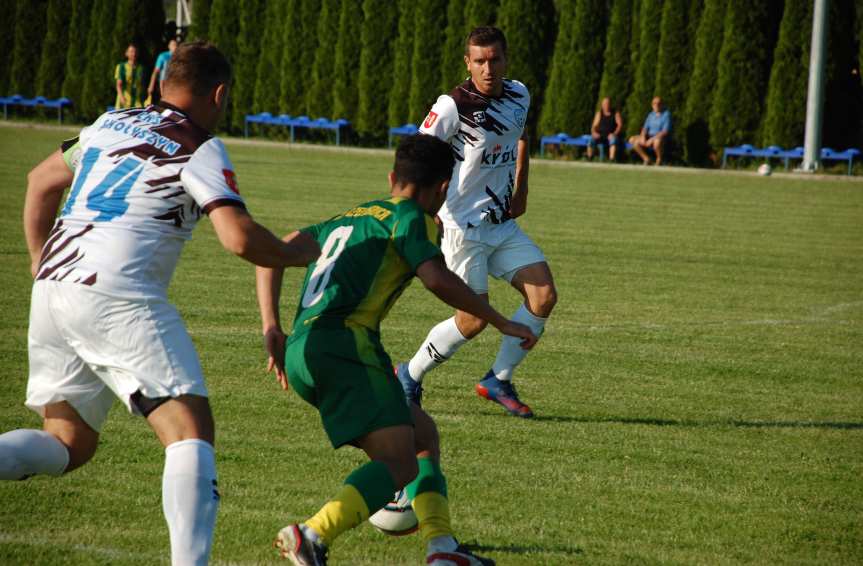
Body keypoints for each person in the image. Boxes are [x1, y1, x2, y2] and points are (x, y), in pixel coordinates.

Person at [0, 42, 320, 565]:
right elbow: (238, 238)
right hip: (116, 293)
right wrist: (293, 253)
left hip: (55, 286)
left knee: (67, 443)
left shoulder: (109, 122)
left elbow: (39, 183)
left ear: (163, 83)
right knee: (189, 431)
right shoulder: (199, 144)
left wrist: (41, 261)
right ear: (218, 94)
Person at [256, 134, 537, 565]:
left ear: (392, 177)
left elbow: (271, 253)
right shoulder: (410, 217)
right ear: (443, 189)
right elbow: (436, 279)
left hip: (302, 350)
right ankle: (311, 534)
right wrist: (501, 320)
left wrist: (271, 326)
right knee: (400, 465)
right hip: (346, 347)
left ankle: (442, 549)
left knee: (422, 435)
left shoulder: (352, 216)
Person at [394, 26, 557, 418]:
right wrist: (420, 210)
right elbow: (417, 154)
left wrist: (521, 190)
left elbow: (520, 137)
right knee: (472, 320)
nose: (488, 68)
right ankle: (409, 374)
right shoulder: (452, 106)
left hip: (500, 223)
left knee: (543, 296)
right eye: (479, 61)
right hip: (461, 228)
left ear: (506, 60)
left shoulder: (519, 93)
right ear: (468, 64)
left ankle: (498, 379)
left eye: (495, 59)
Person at [629, 96, 672, 165]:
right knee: (632, 140)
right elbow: (645, 128)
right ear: (652, 105)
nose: (656, 105)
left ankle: (659, 159)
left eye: (658, 103)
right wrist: (643, 137)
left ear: (662, 104)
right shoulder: (651, 115)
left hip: (660, 138)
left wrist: (652, 139)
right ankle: (646, 159)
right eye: (654, 103)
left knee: (657, 142)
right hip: (648, 136)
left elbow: (665, 131)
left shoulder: (666, 115)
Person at [587, 97, 623, 161]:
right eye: (604, 104)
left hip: (611, 135)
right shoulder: (599, 114)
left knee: (613, 140)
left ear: (610, 104)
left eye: (607, 104)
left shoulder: (615, 113)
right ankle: (589, 158)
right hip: (600, 135)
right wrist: (594, 133)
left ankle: (611, 159)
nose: (605, 105)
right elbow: (593, 126)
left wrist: (614, 134)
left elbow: (620, 125)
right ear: (602, 105)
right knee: (590, 140)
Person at [148, 38, 179, 104]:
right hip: (163, 83)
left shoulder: (179, 57)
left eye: (176, 45)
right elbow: (156, 72)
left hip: (174, 84)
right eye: (173, 45)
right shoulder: (163, 56)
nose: (175, 47)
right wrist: (151, 85)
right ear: (169, 46)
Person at [115, 43, 145, 109]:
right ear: (126, 53)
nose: (134, 54)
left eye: (135, 52)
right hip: (123, 103)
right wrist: (121, 97)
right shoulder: (121, 67)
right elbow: (118, 85)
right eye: (131, 51)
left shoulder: (141, 68)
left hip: (137, 103)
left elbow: (142, 85)